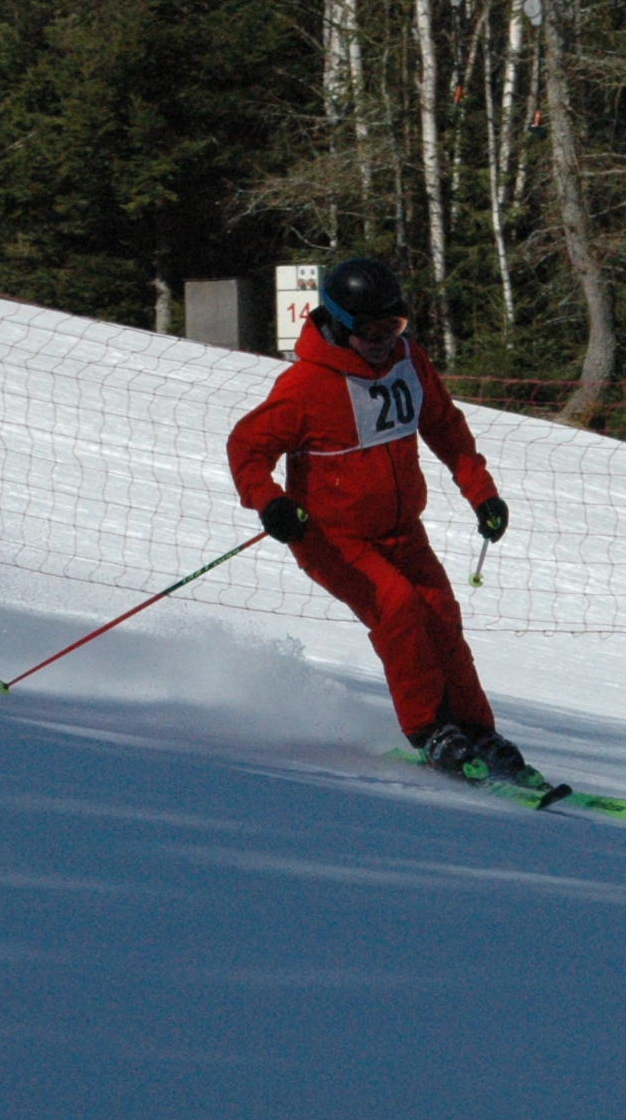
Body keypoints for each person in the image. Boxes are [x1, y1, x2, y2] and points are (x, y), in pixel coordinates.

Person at [226, 257, 533, 784]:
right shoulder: (307, 386)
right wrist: (271, 503)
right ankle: (430, 730)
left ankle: (475, 728)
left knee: (440, 613)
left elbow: (445, 425)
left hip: (402, 530)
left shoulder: (408, 361)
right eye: (370, 331)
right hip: (331, 537)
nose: (383, 341)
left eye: (394, 326)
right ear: (339, 324)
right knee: (398, 607)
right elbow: (247, 448)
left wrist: (482, 494)